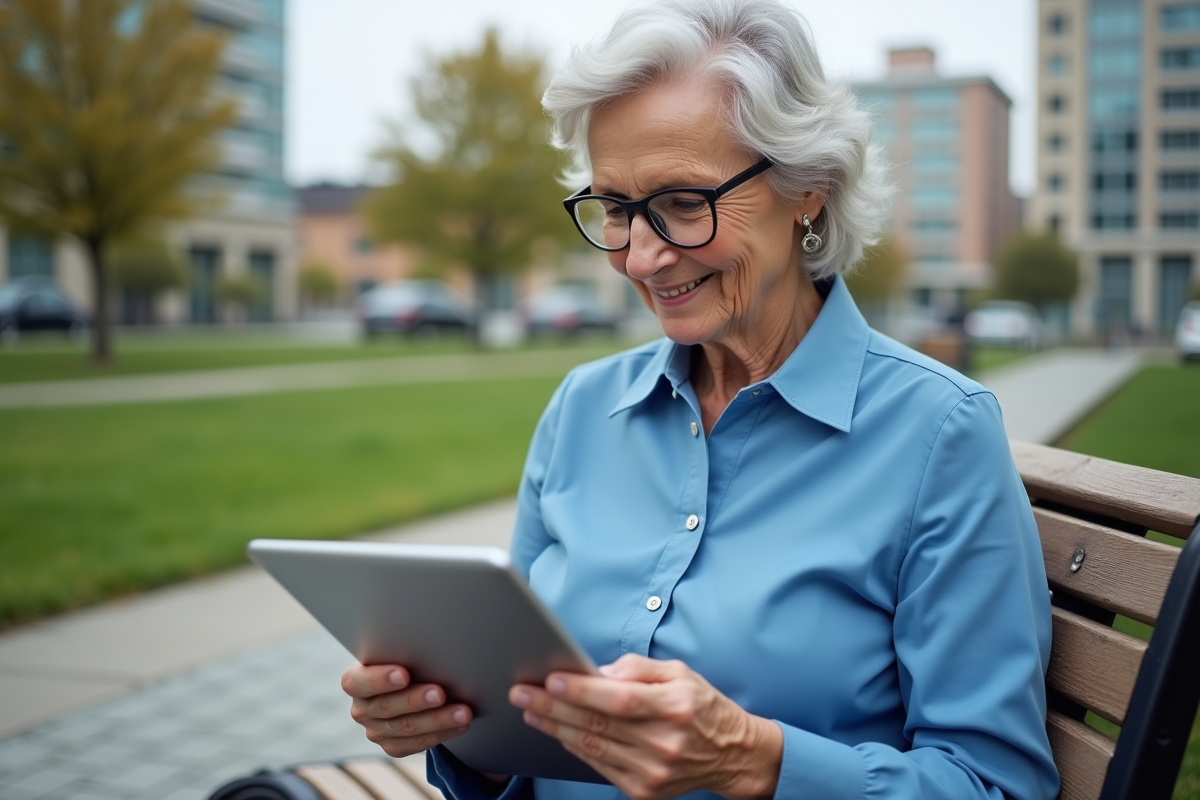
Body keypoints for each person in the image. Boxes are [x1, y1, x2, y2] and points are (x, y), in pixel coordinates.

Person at [341, 1, 1060, 799]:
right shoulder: (582, 409)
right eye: (615, 209)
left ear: (809, 189)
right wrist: (464, 733)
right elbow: (515, 727)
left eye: (684, 203)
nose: (642, 257)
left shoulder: (938, 435)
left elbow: (995, 783)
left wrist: (754, 760)